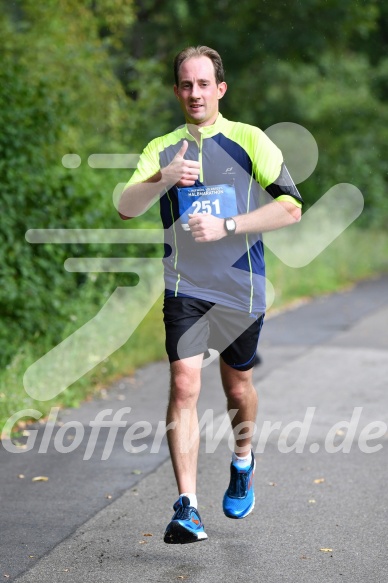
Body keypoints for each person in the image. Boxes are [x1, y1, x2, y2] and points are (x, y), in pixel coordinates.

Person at [119, 45, 303, 544]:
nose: (194, 93)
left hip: (240, 285)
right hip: (186, 287)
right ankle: (188, 507)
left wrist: (229, 224)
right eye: (186, 84)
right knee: (184, 385)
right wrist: (165, 177)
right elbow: (126, 207)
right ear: (176, 90)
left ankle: (242, 460)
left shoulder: (250, 140)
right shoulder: (162, 148)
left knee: (236, 387)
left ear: (220, 88)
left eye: (203, 84)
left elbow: (290, 209)